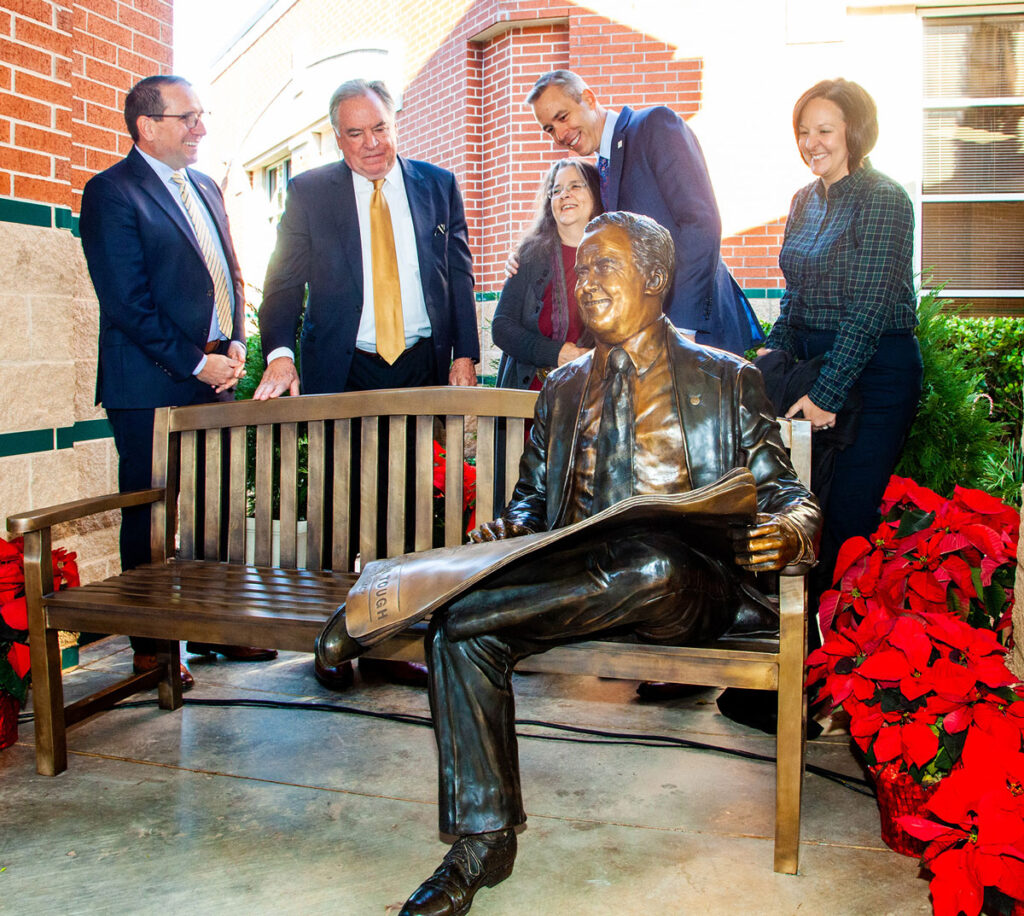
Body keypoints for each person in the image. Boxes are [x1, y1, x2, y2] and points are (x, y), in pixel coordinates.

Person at [317, 212, 821, 916]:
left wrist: (789, 537)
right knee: (463, 631)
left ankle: (405, 599)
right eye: (580, 269)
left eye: (604, 266)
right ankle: (482, 841)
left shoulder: (725, 380)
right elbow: (530, 505)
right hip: (570, 588)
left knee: (651, 561)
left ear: (654, 278)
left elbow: (791, 499)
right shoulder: (562, 388)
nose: (586, 283)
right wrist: (510, 528)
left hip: (687, 589)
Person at [253, 78, 481, 690]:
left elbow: (457, 274)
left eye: (379, 128)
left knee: (406, 504)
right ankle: (332, 645)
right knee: (340, 503)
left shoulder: (437, 184)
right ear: (338, 137)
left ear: (394, 122)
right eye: (355, 133)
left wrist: (465, 354)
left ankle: (388, 642)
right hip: (343, 366)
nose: (371, 144)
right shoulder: (309, 192)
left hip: (417, 361)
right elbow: (281, 285)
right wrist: (279, 354)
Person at [79, 75, 277, 689]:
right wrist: (197, 362)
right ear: (147, 126)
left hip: (216, 374)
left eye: (202, 115)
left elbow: (230, 274)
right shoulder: (111, 193)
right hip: (150, 384)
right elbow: (127, 303)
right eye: (188, 117)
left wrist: (238, 340)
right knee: (150, 511)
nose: (202, 128)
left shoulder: (208, 187)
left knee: (216, 508)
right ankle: (153, 646)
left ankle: (219, 629)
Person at [758, 77, 922, 629]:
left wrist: (828, 393)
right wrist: (767, 367)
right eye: (803, 132)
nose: (811, 143)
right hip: (812, 370)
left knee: (845, 523)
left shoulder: (885, 199)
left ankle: (828, 679)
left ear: (855, 131)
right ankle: (786, 663)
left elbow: (872, 307)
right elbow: (794, 298)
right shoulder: (803, 200)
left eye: (824, 130)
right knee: (795, 515)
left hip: (874, 375)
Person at [525, 70, 764, 357]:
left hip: (695, 333)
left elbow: (701, 222)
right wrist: (524, 259)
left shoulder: (654, 125)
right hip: (648, 339)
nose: (560, 135)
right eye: (549, 129)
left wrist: (682, 331)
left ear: (588, 98)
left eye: (563, 117)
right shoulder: (602, 167)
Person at [492, 158, 601, 390]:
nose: (565, 194)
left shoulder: (614, 258)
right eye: (556, 190)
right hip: (530, 399)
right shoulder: (530, 256)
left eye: (575, 186)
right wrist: (555, 353)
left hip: (592, 398)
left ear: (595, 193)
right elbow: (501, 327)